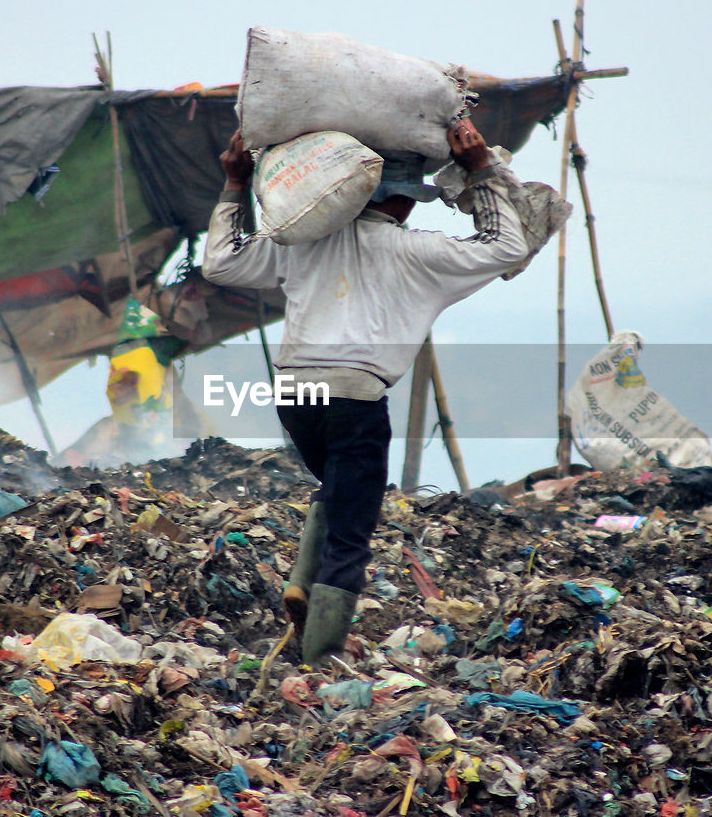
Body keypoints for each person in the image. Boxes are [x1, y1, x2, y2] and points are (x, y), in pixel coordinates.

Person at [202, 119, 531, 664]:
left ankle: (302, 586)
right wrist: (482, 172)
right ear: (402, 202)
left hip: (295, 399)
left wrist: (235, 185)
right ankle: (319, 656)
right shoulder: (417, 252)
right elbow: (505, 247)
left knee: (337, 491)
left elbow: (221, 261)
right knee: (352, 533)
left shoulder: (300, 244)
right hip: (355, 401)